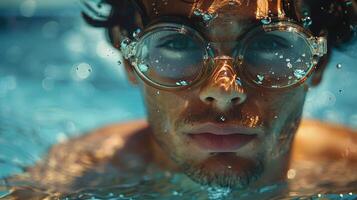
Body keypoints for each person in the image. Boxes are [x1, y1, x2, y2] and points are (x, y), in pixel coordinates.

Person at [4, 0, 357, 198]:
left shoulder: (349, 170)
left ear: (318, 60)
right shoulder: (72, 181)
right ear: (129, 58)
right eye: (176, 44)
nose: (223, 89)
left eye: (270, 44)